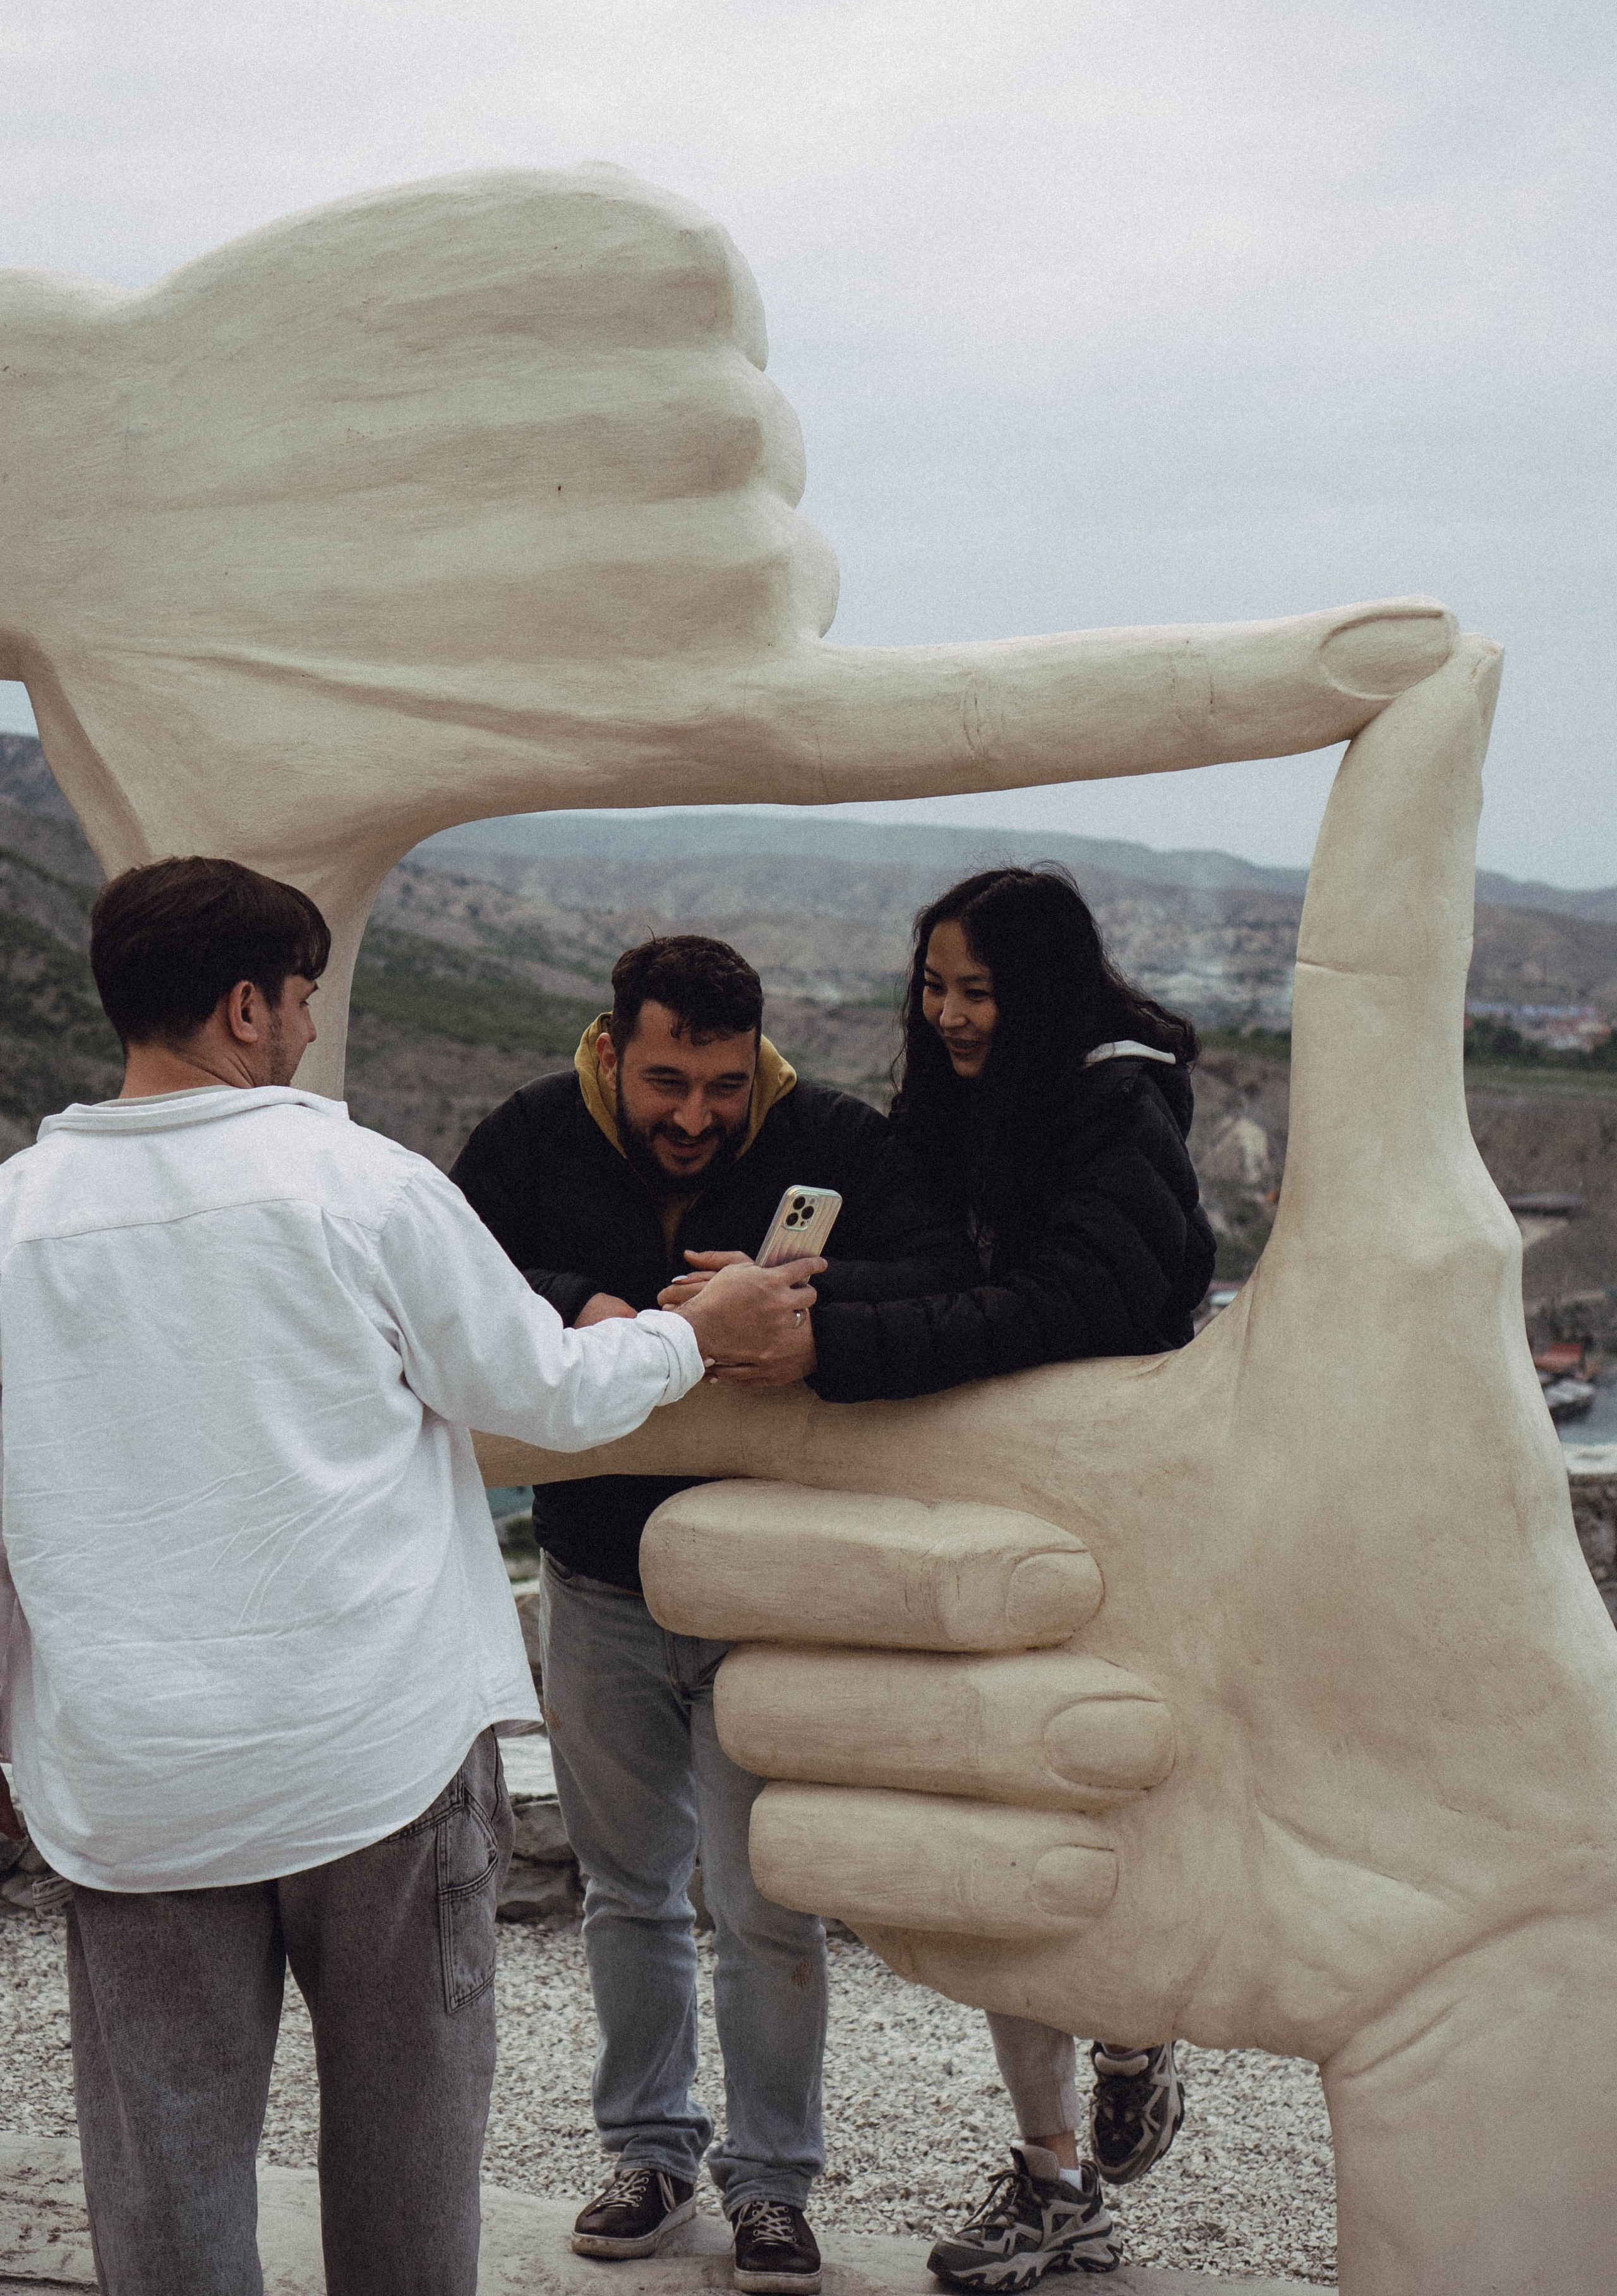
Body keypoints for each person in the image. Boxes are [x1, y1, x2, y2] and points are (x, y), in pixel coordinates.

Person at [0, 860, 812, 2296]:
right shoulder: (355, 1183)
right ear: (247, 1006)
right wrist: (706, 1330)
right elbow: (545, 1390)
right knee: (405, 2158)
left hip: (131, 1777)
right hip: (371, 1758)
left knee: (166, 2176)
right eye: (303, 997)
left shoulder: (13, 1222)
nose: (309, 1027)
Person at [665, 868, 1215, 2287]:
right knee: (991, 1846)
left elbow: (1068, 1308)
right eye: (935, 987)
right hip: (986, 1511)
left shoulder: (1113, 1107)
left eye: (979, 991)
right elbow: (949, 1274)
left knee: (1107, 1807)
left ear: (1045, 988)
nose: (952, 1016)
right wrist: (796, 1297)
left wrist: (829, 1348)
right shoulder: (968, 1102)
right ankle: (1054, 2176)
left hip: (1110, 1520)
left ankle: (1132, 2021)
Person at [449, 934, 978, 2295]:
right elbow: (450, 1288)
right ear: (612, 1049)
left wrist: (793, 1298)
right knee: (625, 1894)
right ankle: (644, 2153)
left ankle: (769, 2184)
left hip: (774, 1591)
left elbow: (943, 1278)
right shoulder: (522, 1138)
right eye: (668, 1081)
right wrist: (592, 1306)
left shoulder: (837, 1137)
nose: (696, 1116)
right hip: (594, 1576)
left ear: (761, 1067)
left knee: (765, 1904)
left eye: (724, 1087)